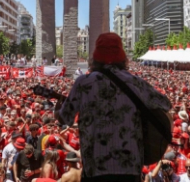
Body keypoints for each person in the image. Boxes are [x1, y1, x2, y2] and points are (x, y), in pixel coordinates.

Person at [55, 32, 172, 182]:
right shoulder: (135, 82)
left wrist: (57, 110)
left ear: (95, 57)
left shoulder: (84, 83)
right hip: (129, 168)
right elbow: (165, 104)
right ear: (122, 57)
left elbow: (65, 118)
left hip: (95, 168)